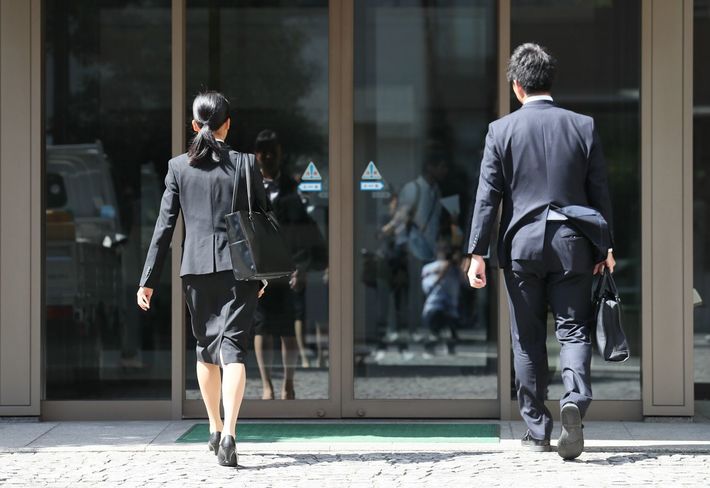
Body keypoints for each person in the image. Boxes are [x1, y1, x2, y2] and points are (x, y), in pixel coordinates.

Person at [467, 43, 616, 460]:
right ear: (551, 81)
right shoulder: (583, 126)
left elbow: (487, 197)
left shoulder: (501, 131)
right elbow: (599, 191)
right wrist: (605, 246)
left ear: (517, 86)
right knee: (574, 330)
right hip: (573, 245)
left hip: (522, 247)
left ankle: (537, 431)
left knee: (527, 338)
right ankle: (575, 401)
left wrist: (477, 253)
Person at [137, 92, 266, 467]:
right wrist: (263, 274)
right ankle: (230, 435)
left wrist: (148, 279)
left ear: (195, 125)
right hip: (239, 269)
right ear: (228, 124)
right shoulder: (245, 164)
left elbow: (164, 227)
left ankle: (213, 426)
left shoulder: (178, 167)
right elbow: (263, 220)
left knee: (206, 348)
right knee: (234, 349)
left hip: (194, 269)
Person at [252, 129, 326, 400]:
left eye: (272, 151)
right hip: (259, 267)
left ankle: (288, 383)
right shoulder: (248, 185)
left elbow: (304, 233)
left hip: (288, 266)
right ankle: (267, 385)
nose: (267, 156)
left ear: (280, 153)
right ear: (256, 155)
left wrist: (301, 268)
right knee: (261, 326)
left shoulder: (293, 189)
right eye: (262, 151)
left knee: (286, 328)